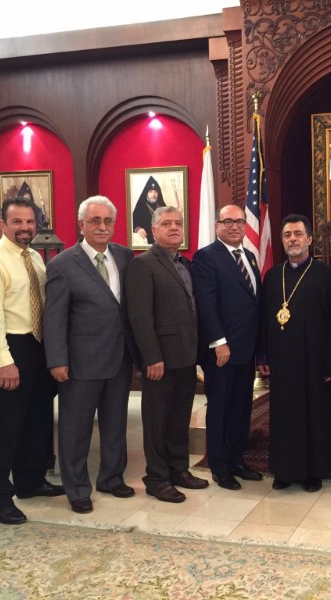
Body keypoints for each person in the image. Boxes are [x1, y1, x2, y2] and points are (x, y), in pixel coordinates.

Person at [0, 197, 64, 525]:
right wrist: (3, 362)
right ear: (3, 223)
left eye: (29, 222)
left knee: (36, 420)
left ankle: (30, 480)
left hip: (36, 347)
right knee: (3, 429)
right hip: (8, 347)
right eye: (17, 222)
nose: (25, 228)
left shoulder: (35, 258)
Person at [43, 196, 136, 514]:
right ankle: (77, 488)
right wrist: (57, 360)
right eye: (95, 221)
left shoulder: (124, 256)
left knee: (115, 424)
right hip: (80, 363)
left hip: (120, 358)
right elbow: (54, 318)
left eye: (108, 221)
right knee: (75, 429)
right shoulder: (62, 265)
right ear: (81, 224)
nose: (102, 227)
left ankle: (111, 478)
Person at [127, 206, 209, 502]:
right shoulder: (143, 264)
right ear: (153, 230)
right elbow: (140, 316)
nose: (174, 227)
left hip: (186, 356)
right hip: (160, 360)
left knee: (179, 419)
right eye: (166, 223)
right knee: (157, 421)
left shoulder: (185, 263)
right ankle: (156, 478)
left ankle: (178, 470)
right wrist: (151, 357)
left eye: (178, 223)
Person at [257, 214, 331, 492]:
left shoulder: (326, 276)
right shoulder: (272, 276)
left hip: (315, 363)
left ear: (309, 239)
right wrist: (263, 356)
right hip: (282, 362)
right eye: (287, 235)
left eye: (297, 234)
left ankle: (314, 471)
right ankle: (285, 469)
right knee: (284, 415)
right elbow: (263, 319)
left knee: (315, 414)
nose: (292, 239)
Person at [192, 204, 262, 490]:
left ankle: (237, 460)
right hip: (222, 351)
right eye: (228, 221)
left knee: (241, 408)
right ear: (217, 226)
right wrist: (218, 342)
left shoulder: (250, 257)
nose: (234, 226)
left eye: (239, 222)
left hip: (246, 349)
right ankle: (219, 467)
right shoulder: (206, 257)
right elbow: (206, 304)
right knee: (220, 409)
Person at [132, 176, 166, 245]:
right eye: (150, 192)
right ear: (146, 193)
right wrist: (138, 229)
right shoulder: (140, 207)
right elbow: (133, 222)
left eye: (155, 192)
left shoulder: (162, 206)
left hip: (163, 241)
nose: (153, 194)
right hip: (147, 242)